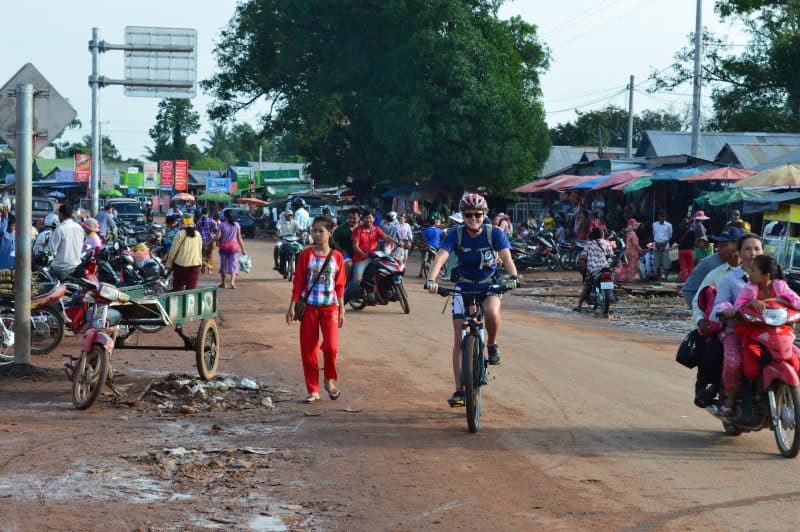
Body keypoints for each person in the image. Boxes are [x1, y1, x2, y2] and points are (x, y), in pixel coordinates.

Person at [424, 193, 518, 408]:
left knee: (492, 311)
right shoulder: (454, 235)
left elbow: (506, 257)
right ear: (462, 215)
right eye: (468, 215)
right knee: (458, 338)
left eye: (478, 214)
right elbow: (441, 256)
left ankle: (492, 345)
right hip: (463, 285)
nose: (473, 218)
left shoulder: (494, 233)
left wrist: (513, 277)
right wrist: (431, 279)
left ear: (484, 215)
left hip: (489, 283)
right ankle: (459, 390)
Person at [285, 215, 346, 404]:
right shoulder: (306, 255)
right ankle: (313, 390)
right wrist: (292, 307)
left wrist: (342, 309)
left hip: (330, 308)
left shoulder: (337, 257)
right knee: (308, 350)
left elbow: (340, 285)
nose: (317, 234)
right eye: (314, 230)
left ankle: (328, 380)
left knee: (331, 347)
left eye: (321, 231)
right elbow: (299, 283)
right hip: (309, 308)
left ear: (330, 232)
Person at [711, 233, 764, 418]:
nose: (753, 253)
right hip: (736, 330)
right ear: (739, 253)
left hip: (768, 331)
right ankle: (730, 402)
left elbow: (787, 296)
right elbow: (718, 305)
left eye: (757, 248)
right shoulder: (730, 279)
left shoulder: (773, 276)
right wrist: (727, 310)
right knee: (733, 362)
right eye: (748, 249)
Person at [733, 255, 800, 383]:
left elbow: (797, 302)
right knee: (750, 368)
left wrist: (779, 300)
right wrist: (750, 303)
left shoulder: (780, 286)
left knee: (795, 364)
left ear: (766, 275)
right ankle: (749, 396)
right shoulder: (748, 288)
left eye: (753, 270)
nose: (749, 274)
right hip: (753, 332)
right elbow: (737, 306)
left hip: (779, 333)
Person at [344, 209, 397, 301]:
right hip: (361, 259)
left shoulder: (376, 229)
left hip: (375, 257)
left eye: (370, 217)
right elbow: (355, 247)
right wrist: (365, 255)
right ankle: (344, 300)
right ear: (363, 219)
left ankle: (387, 291)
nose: (368, 219)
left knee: (389, 269)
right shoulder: (358, 230)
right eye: (366, 218)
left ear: (373, 218)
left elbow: (385, 237)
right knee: (357, 280)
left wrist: (398, 243)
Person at [573, 227, 613, 315]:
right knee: (611, 279)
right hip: (605, 268)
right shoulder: (606, 242)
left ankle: (579, 305)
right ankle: (611, 295)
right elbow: (611, 254)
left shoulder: (588, 244)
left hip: (593, 270)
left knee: (587, 285)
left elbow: (582, 256)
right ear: (602, 235)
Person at [167, 214, 204, 291]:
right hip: (195, 265)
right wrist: (200, 263)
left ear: (183, 222)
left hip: (181, 265)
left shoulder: (180, 234)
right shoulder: (198, 234)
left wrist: (169, 264)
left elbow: (173, 251)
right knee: (191, 290)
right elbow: (200, 250)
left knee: (178, 288)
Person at [47, 204, 85, 281]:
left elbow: (52, 249)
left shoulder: (60, 229)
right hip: (77, 267)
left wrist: (51, 236)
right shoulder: (79, 227)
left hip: (62, 269)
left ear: (60, 214)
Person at [215, 209, 247, 289]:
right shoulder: (236, 225)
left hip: (223, 247)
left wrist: (210, 241)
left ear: (225, 216)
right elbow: (239, 238)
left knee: (223, 265)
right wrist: (243, 249)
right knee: (233, 264)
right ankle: (232, 282)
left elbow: (218, 237)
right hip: (233, 247)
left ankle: (223, 283)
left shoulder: (221, 225)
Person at [332, 207, 360, 280]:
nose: (351, 220)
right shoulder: (340, 229)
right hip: (345, 253)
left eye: (354, 218)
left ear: (359, 218)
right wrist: (341, 251)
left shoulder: (362, 228)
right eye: (350, 217)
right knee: (349, 264)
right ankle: (345, 285)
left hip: (359, 253)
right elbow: (332, 242)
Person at [652, 210, 673, 281]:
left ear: (665, 217)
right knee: (657, 263)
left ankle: (666, 278)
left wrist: (663, 243)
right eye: (660, 216)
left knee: (665, 263)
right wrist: (658, 243)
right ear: (658, 217)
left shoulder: (669, 225)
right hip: (656, 245)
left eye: (663, 217)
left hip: (665, 246)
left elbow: (670, 236)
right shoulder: (654, 224)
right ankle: (659, 279)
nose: (661, 218)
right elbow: (654, 234)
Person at [196, 208, 219, 274]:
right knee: (210, 255)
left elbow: (197, 231)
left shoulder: (198, 221)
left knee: (203, 255)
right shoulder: (212, 221)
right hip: (210, 241)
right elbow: (216, 230)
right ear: (208, 213)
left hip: (201, 241)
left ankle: (203, 268)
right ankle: (209, 269)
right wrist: (212, 234)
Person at [675, 217, 697, 282]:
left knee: (683, 266)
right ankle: (691, 280)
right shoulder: (692, 232)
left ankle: (684, 280)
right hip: (689, 250)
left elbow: (677, 241)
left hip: (681, 250)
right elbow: (694, 242)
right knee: (690, 266)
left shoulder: (680, 231)